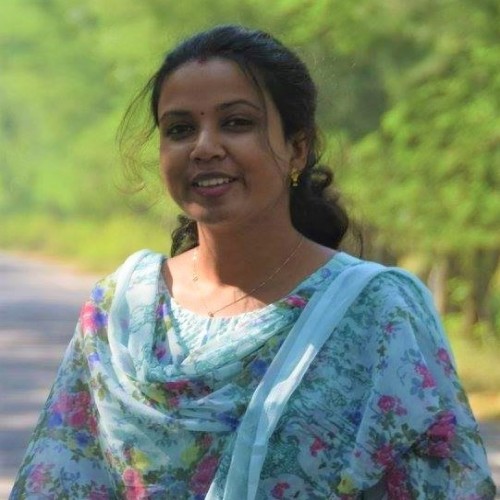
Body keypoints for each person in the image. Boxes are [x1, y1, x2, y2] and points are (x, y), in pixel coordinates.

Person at [11, 25, 495, 499]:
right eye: (180, 129)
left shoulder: (377, 311)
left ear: (297, 149)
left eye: (236, 123)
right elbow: (62, 479)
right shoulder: (121, 313)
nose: (204, 147)